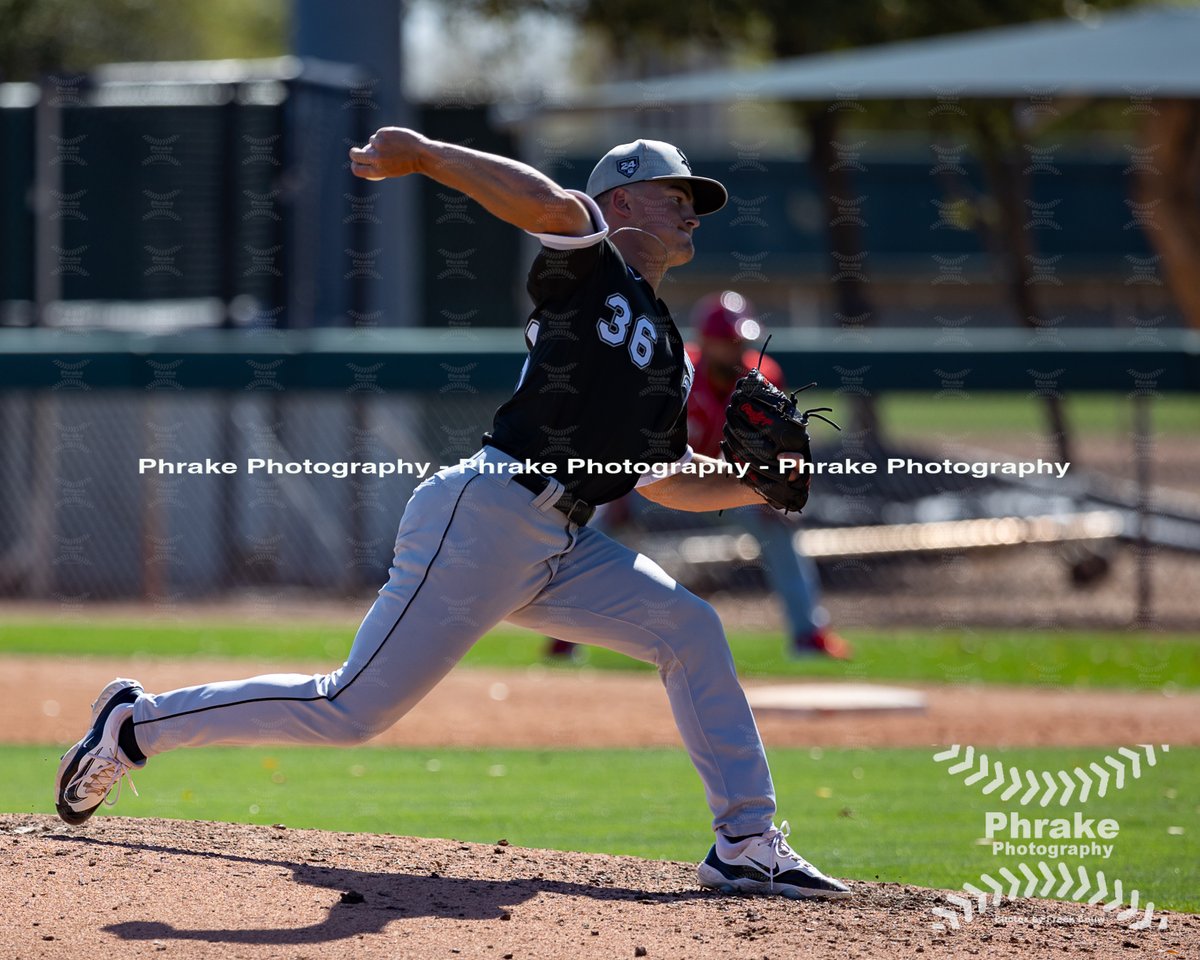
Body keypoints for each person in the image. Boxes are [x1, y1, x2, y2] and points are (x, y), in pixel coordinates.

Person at [55, 133, 850, 900]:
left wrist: (757, 485)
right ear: (620, 199)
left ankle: (748, 844)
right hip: (488, 516)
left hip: (563, 541)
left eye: (693, 198)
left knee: (690, 629)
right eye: (674, 193)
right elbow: (547, 200)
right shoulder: (591, 258)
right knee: (349, 710)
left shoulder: (669, 352)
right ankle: (136, 725)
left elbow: (660, 478)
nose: (691, 210)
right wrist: (427, 155)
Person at [548, 293, 851, 661]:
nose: (737, 348)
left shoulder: (764, 374)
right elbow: (630, 436)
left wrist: (769, 492)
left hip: (723, 486)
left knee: (778, 526)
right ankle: (563, 632)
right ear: (705, 341)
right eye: (728, 340)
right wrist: (619, 496)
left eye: (741, 339)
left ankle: (808, 637)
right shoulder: (674, 372)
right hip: (656, 484)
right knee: (592, 531)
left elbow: (774, 447)